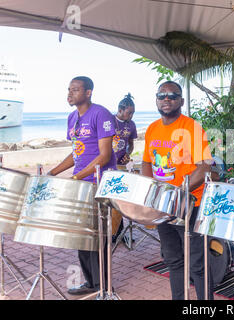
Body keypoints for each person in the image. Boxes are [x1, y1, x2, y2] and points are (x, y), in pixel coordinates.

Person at [141, 80, 214, 300]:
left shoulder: (192, 127)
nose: (166, 99)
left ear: (181, 101)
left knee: (197, 264)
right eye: (162, 95)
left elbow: (204, 167)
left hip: (190, 204)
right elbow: (146, 162)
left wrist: (174, 193)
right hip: (163, 206)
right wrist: (150, 191)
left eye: (172, 95)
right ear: (156, 99)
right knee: (173, 260)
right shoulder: (153, 128)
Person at [48, 76, 116, 295]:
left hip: (99, 183)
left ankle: (105, 287)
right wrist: (53, 172)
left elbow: (104, 156)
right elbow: (76, 152)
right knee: (81, 235)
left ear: (88, 92)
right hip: (81, 184)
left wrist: (78, 178)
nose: (70, 93)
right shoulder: (72, 118)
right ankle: (91, 282)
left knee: (98, 237)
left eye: (75, 90)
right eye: (69, 89)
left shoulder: (101, 114)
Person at [111, 93, 138, 244]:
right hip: (108, 165)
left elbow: (131, 143)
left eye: (133, 112)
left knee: (121, 197)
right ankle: (112, 232)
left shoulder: (131, 124)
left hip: (122, 165)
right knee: (111, 200)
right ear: (120, 110)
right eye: (129, 112)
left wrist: (127, 154)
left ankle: (119, 233)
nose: (131, 115)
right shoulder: (109, 121)